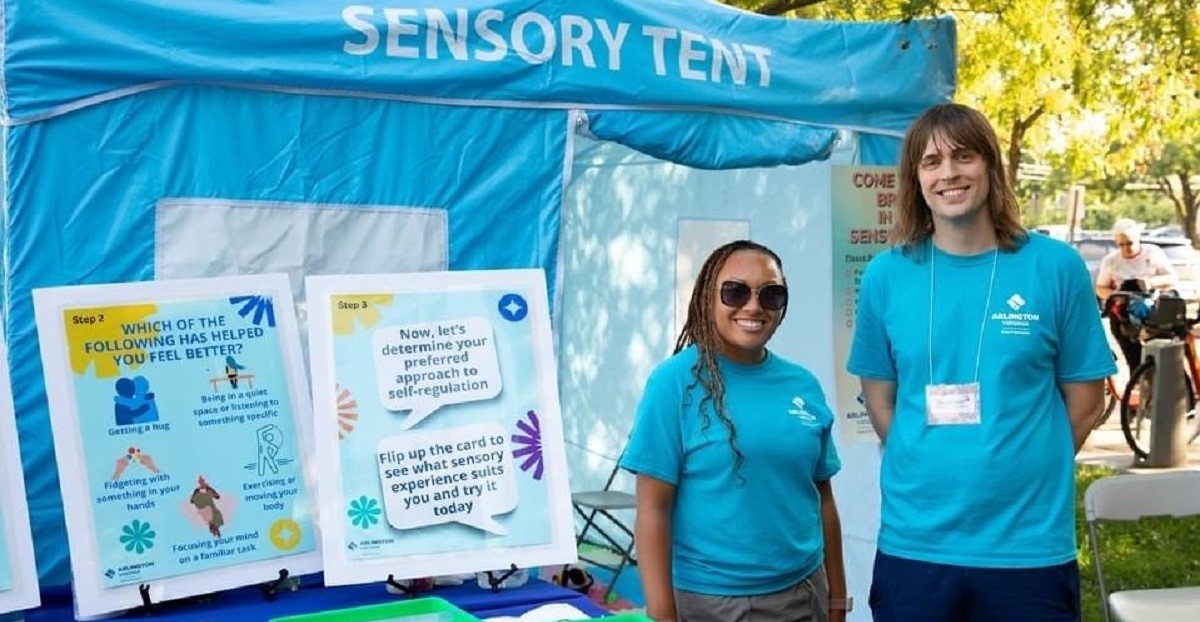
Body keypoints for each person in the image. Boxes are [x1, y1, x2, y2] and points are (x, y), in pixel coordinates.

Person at [847, 103, 1115, 621]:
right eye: (931, 162)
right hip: (915, 545)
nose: (948, 173)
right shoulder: (886, 276)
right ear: (915, 179)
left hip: (1027, 548)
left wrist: (1024, 465)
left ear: (991, 166)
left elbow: (1086, 403)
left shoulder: (1054, 266)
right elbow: (881, 403)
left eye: (963, 157)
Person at [620, 240, 848, 622]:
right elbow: (652, 509)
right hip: (712, 602)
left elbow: (822, 497)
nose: (753, 306)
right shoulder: (674, 384)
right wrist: (662, 616)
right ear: (707, 297)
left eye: (771, 294)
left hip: (806, 594)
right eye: (735, 291)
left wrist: (838, 600)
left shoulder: (802, 384)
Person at [1094, 217, 1177, 368]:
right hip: (1124, 312)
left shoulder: (1153, 253)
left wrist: (1151, 283)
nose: (1127, 248)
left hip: (1154, 308)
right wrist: (1115, 297)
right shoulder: (1111, 261)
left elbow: (1172, 278)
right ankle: (1137, 375)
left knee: (1162, 351)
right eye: (1122, 244)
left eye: (1130, 243)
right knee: (1132, 353)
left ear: (1138, 239)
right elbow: (1100, 288)